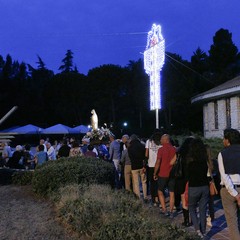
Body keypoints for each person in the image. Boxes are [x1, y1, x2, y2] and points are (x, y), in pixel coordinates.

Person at [218, 128, 240, 240]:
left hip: (228, 191)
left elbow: (224, 176)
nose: (223, 141)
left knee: (232, 222)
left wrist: (235, 194)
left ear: (228, 140)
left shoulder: (222, 154)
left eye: (224, 138)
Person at [187, 138, 209, 238]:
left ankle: (197, 230)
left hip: (193, 187)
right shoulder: (204, 161)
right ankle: (203, 231)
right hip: (204, 187)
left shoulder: (190, 162)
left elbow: (187, 176)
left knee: (192, 208)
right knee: (203, 210)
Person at [154, 134, 176, 217]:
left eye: (162, 139)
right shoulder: (174, 149)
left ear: (166, 140)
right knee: (172, 193)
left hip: (162, 173)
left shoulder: (161, 150)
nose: (160, 141)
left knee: (160, 191)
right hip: (172, 174)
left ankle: (164, 209)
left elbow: (158, 162)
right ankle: (171, 211)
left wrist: (155, 173)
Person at [175, 137, 195, 227]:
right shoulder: (195, 154)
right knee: (192, 199)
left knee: (184, 199)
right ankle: (193, 218)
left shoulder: (181, 153)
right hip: (193, 178)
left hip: (182, 178)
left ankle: (186, 220)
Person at [128, 134, 147, 201]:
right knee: (144, 182)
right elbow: (145, 156)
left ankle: (138, 197)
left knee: (136, 183)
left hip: (134, 166)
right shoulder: (142, 146)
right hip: (142, 166)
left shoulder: (130, 147)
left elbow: (130, 157)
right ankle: (145, 196)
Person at [145, 130, 162, 206]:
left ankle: (154, 200)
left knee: (152, 183)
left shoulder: (148, 141)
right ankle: (159, 198)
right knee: (159, 183)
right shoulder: (161, 142)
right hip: (160, 165)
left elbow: (146, 154)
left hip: (151, 165)